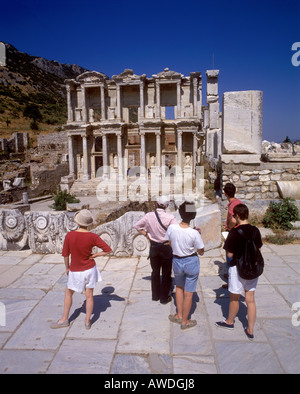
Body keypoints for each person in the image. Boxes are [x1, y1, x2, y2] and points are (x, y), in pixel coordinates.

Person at [51, 209, 112, 330]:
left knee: (69, 293)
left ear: (77, 222)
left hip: (75, 269)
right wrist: (95, 255)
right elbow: (108, 250)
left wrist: (67, 268)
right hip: (90, 269)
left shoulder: (70, 235)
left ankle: (64, 319)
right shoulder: (92, 237)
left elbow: (65, 255)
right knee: (89, 295)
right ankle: (87, 321)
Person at [215, 203, 263, 341]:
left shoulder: (234, 233)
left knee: (234, 297)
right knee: (250, 299)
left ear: (236, 216)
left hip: (238, 269)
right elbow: (258, 249)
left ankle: (229, 321)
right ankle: (250, 329)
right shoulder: (255, 230)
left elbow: (229, 255)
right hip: (253, 269)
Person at [165, 201, 204, 330]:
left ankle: (179, 315)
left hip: (177, 261)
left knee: (179, 288)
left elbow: (170, 243)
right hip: (191, 261)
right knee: (189, 293)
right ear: (193, 215)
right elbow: (201, 251)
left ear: (180, 213)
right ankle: (185, 321)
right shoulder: (194, 233)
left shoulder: (172, 228)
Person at [133, 196, 177, 304]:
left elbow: (137, 226)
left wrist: (146, 234)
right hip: (166, 246)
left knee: (155, 272)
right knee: (166, 273)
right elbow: (177, 231)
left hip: (154, 247)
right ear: (166, 206)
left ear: (156, 203)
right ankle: (164, 297)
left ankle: (155, 295)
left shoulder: (149, 216)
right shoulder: (170, 218)